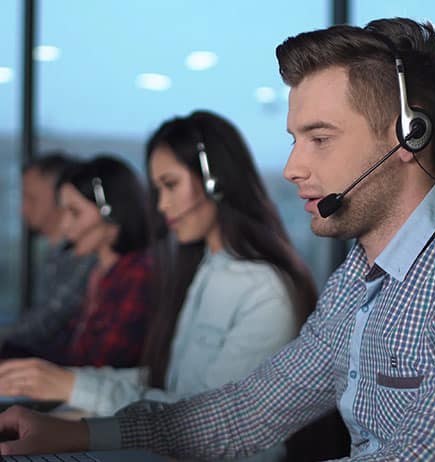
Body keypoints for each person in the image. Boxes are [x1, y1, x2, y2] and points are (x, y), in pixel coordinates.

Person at [1, 17, 435, 461]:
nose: (294, 167)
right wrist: (79, 433)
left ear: (409, 136)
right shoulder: (358, 279)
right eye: (295, 140)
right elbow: (252, 410)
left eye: (320, 139)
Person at [0, 112, 317, 461]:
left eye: (170, 185)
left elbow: (215, 421)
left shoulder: (264, 290)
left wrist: (72, 389)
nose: (162, 206)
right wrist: (65, 381)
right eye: (157, 190)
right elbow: (166, 384)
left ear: (214, 181)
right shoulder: (204, 271)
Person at [0, 155, 153, 368]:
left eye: (75, 213)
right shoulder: (98, 274)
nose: (64, 226)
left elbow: (103, 364)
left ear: (110, 212)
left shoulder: (137, 276)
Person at [0, 153, 96, 355]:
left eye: (31, 198)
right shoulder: (57, 255)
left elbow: (50, 318)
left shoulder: (84, 258)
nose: (22, 209)